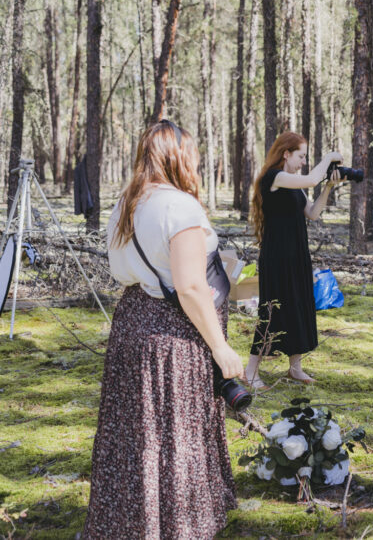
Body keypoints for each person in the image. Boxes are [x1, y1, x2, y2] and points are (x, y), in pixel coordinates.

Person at [84, 120, 242, 539]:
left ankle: (129, 522)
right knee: (176, 430)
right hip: (173, 335)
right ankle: (179, 524)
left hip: (132, 323)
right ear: (177, 157)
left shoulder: (126, 203)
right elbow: (190, 288)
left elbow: (131, 271)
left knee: (137, 431)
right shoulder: (179, 206)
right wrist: (222, 348)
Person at [244, 132, 344, 388]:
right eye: (301, 156)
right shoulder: (274, 178)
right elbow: (311, 178)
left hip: (297, 255)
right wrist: (331, 156)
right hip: (277, 257)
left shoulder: (294, 184)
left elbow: (312, 213)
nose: (303, 161)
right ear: (285, 153)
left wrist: (328, 187)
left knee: (299, 307)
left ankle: (295, 368)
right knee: (272, 310)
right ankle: (250, 371)